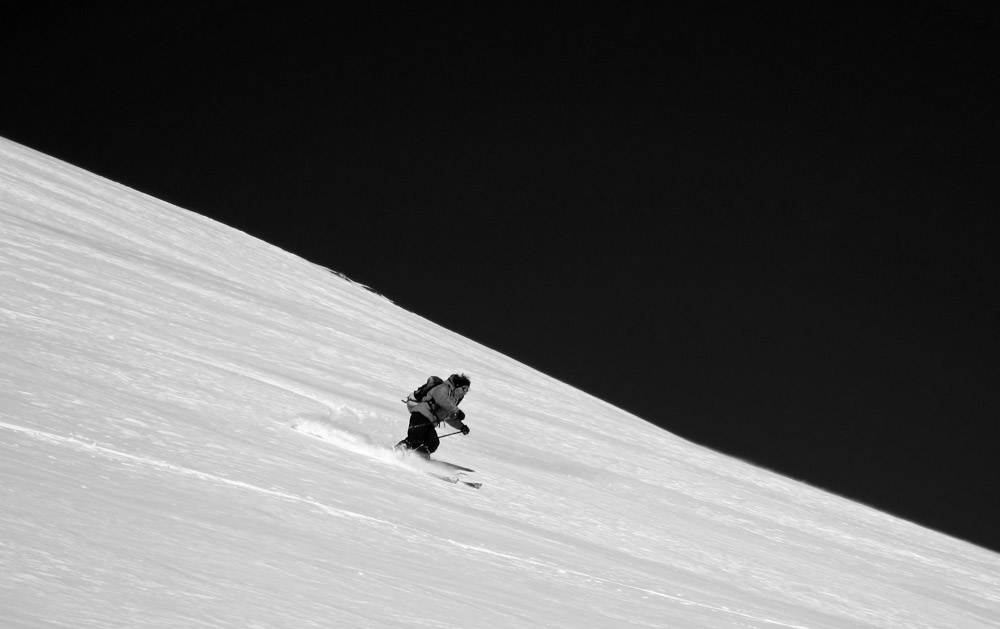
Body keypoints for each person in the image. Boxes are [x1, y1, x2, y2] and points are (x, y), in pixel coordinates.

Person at [395, 373, 471, 457]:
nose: (465, 393)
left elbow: (448, 416)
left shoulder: (452, 400)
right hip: (421, 414)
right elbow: (441, 398)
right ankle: (395, 453)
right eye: (464, 389)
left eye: (467, 390)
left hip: (429, 421)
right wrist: (457, 410)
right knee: (415, 440)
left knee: (433, 443)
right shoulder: (444, 388)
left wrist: (461, 427)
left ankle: (417, 458)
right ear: (457, 385)